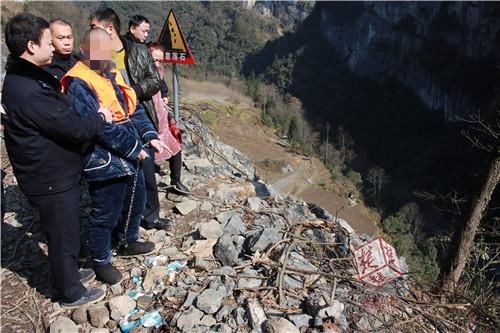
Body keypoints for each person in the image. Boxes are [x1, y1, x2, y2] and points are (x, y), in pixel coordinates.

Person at [2, 13, 113, 308]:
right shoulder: (29, 91)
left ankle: (71, 274)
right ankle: (70, 292)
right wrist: (100, 117)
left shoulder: (25, 78)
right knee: (61, 234)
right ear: (30, 46)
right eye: (49, 43)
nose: (54, 48)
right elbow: (74, 128)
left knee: (66, 228)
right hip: (49, 175)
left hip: (53, 170)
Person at [61, 27, 163, 285]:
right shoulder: (78, 82)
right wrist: (134, 148)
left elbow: (133, 108)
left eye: (108, 52)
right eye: (98, 51)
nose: (104, 56)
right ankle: (101, 259)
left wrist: (149, 134)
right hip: (103, 155)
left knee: (136, 199)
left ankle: (128, 240)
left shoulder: (112, 74)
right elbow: (100, 127)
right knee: (106, 210)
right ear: (83, 50)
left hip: (130, 145)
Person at [90, 8, 189, 232]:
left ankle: (148, 217)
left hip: (138, 113)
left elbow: (154, 81)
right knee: (120, 177)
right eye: (143, 30)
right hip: (110, 123)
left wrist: (132, 92)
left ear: (110, 28)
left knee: (146, 172)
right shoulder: (96, 56)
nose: (91, 34)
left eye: (95, 28)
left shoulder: (137, 51)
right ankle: (121, 228)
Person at [148, 43, 188, 195]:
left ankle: (175, 182)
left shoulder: (159, 72)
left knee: (176, 149)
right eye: (154, 60)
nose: (157, 64)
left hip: (162, 119)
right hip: (149, 122)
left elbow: (162, 88)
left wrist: (165, 100)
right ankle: (149, 193)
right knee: (149, 158)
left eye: (160, 61)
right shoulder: (139, 75)